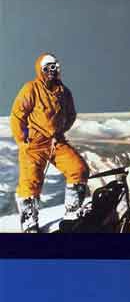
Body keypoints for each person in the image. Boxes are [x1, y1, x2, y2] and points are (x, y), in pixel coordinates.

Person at [10, 53, 89, 233]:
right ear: (41, 70)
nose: (51, 72)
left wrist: (60, 130)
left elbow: (71, 115)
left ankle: (72, 212)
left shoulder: (64, 92)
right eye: (47, 68)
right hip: (34, 144)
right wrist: (22, 139)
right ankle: (29, 221)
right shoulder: (31, 89)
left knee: (78, 169)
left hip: (56, 142)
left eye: (54, 67)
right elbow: (17, 115)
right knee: (30, 182)